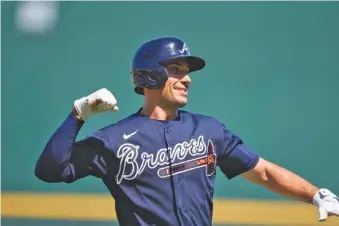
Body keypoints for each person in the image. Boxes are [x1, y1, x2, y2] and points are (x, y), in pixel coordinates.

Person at [34, 36, 339, 226]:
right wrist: (79, 113)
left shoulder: (207, 129)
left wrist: (315, 195)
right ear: (150, 74)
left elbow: (263, 172)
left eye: (187, 71)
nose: (187, 78)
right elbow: (50, 170)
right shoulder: (114, 139)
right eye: (176, 69)